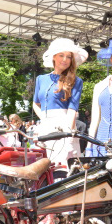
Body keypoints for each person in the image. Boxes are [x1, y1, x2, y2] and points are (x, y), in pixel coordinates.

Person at [34, 38, 87, 166]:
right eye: (61, 55)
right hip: (45, 126)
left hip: (64, 125)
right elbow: (36, 103)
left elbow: (72, 109)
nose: (65, 59)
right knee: (42, 168)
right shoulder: (41, 79)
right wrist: (44, 119)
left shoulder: (76, 81)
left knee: (61, 168)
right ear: (54, 57)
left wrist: (69, 135)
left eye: (68, 57)